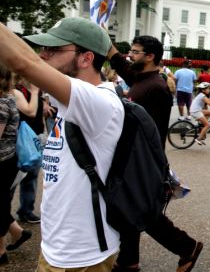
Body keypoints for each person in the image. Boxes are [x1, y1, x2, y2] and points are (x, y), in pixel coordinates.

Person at [0, 17, 124, 270]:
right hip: (56, 247)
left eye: (53, 49)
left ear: (86, 58)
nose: (43, 55)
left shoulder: (98, 102)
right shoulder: (71, 102)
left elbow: (23, 61)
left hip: (83, 256)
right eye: (44, 48)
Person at [108, 36, 203, 272]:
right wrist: (105, 43)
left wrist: (151, 166)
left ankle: (187, 247)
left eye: (136, 52)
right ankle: (129, 261)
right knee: (131, 208)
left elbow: (155, 134)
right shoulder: (141, 78)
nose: (130, 55)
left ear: (150, 56)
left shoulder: (157, 88)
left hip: (142, 161)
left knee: (143, 212)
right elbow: (121, 64)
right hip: (130, 156)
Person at [0, 65, 32, 267]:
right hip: (7, 160)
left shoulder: (2, 103)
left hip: (2, 161)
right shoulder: (9, 98)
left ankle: (1, 252)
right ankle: (17, 232)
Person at [11, 76, 43, 224]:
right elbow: (31, 111)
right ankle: (12, 216)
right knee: (15, 177)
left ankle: (26, 211)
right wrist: (35, 93)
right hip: (22, 141)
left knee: (31, 176)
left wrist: (44, 103)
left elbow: (37, 108)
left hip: (35, 136)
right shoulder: (17, 91)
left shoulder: (33, 90)